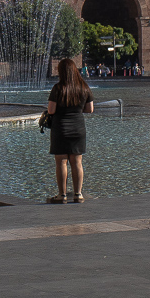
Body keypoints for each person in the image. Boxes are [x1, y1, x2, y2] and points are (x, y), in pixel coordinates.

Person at [45, 57, 94, 204]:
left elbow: (51, 110)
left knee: (61, 162)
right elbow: (90, 109)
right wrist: (76, 110)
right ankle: (78, 194)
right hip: (78, 128)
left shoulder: (58, 88)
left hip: (60, 128)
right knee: (77, 162)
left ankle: (62, 195)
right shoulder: (84, 87)